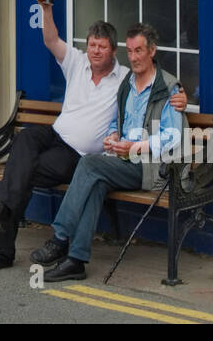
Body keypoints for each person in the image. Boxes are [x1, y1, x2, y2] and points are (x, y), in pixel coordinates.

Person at [0, 0, 184, 272]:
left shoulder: (130, 79)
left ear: (114, 52)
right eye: (92, 45)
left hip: (97, 157)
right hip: (67, 141)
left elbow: (172, 128)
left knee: (30, 171)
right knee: (26, 140)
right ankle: (73, 259)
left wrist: (178, 99)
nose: (96, 51)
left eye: (103, 47)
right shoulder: (96, 70)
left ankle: (37, 241)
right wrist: (46, 7)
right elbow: (51, 39)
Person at [30, 22, 188, 282]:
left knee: (90, 165)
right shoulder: (126, 84)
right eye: (131, 51)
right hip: (123, 160)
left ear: (152, 51)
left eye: (140, 51)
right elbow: (117, 122)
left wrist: (135, 147)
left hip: (152, 167)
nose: (134, 57)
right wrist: (114, 136)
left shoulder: (168, 88)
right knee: (96, 183)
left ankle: (59, 237)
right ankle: (76, 260)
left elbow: (174, 136)